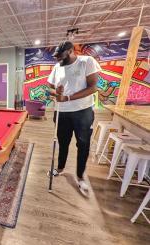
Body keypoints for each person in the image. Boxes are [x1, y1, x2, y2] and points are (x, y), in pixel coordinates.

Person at [47, 41, 101, 194]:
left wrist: (68, 98)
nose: (58, 59)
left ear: (70, 51)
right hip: (61, 112)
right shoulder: (57, 67)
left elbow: (93, 87)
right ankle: (60, 168)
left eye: (61, 55)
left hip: (82, 112)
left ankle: (80, 176)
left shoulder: (87, 61)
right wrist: (56, 93)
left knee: (83, 145)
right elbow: (49, 88)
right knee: (62, 142)